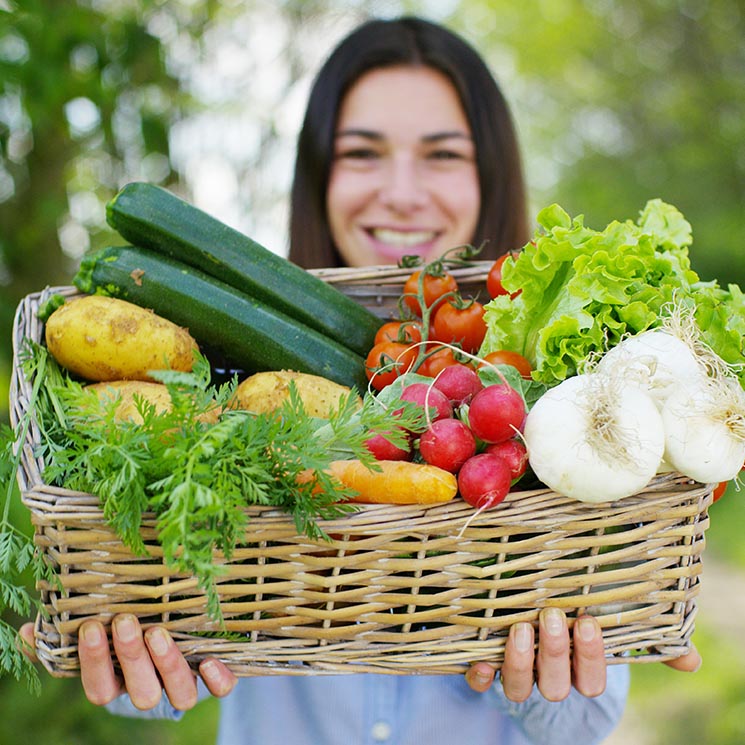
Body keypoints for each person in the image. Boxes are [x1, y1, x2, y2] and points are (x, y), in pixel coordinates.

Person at [20, 14, 702, 745]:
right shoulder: (230, 370)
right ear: (319, 175)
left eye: (441, 155)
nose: (402, 193)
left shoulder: (561, 399)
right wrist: (139, 675)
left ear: (490, 174)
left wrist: (555, 686)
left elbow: (581, 726)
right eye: (362, 154)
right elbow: (159, 640)